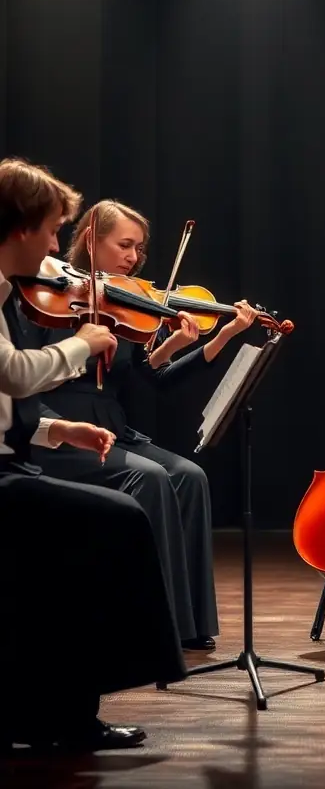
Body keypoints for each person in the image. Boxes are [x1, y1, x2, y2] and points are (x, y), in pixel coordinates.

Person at [0, 158, 185, 751]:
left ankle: (58, 714)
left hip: (14, 461)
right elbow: (12, 374)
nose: (58, 247)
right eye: (54, 230)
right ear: (22, 228)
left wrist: (57, 432)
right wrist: (82, 343)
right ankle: (72, 714)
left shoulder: (10, 290)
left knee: (95, 526)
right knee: (117, 519)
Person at [18, 199, 258, 652]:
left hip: (114, 428)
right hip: (58, 429)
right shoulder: (44, 297)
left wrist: (219, 336)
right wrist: (80, 347)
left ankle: (188, 622)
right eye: (124, 245)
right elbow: (27, 377)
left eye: (138, 249)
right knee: (146, 477)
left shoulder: (127, 306)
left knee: (189, 476)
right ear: (91, 240)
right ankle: (150, 622)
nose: (132, 257)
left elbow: (156, 380)